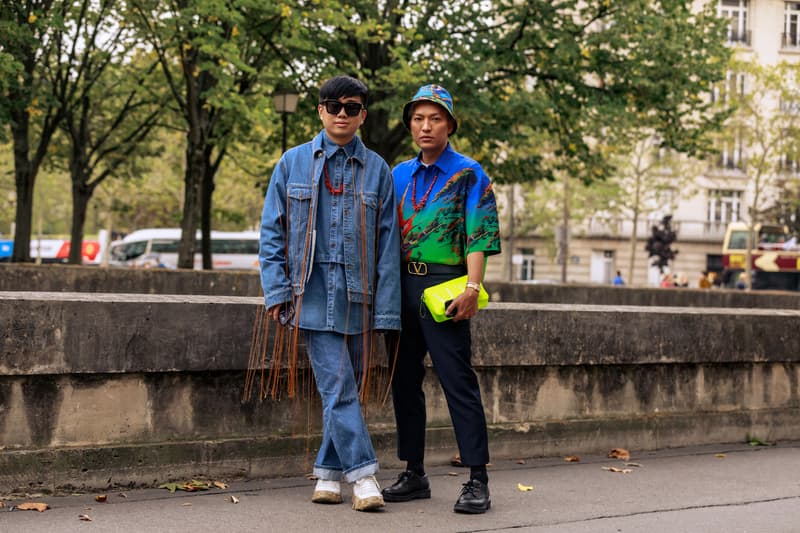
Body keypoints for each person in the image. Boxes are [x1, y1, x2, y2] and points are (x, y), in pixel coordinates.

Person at [258, 75, 401, 512]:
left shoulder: (378, 169)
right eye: (333, 106)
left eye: (352, 107)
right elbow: (271, 232)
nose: (342, 114)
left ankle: (327, 473)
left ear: (363, 115)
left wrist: (388, 312)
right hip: (312, 294)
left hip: (361, 298)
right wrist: (277, 290)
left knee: (346, 388)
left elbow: (389, 244)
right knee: (338, 386)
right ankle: (363, 476)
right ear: (320, 111)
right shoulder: (292, 163)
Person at [382, 84, 501, 514]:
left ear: (449, 124)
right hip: (400, 289)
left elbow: (479, 235)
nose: (425, 126)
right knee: (404, 382)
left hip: (446, 286)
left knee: (458, 381)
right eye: (418, 118)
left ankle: (477, 478)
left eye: (434, 118)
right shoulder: (397, 175)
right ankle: (414, 472)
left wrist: (472, 288)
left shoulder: (469, 173)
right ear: (410, 124)